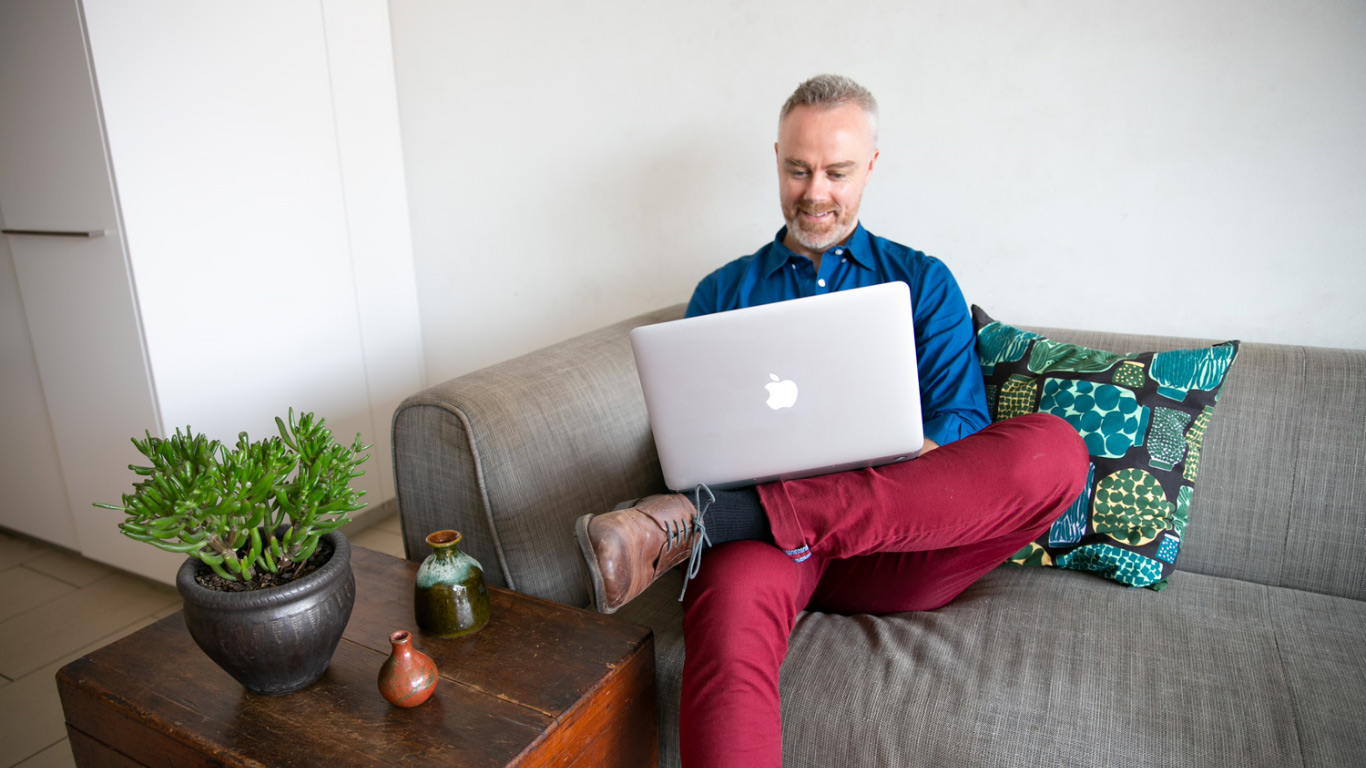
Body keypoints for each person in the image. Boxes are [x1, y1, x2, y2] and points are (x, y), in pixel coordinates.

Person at [574, 74, 1089, 768]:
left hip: (899, 546)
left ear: (871, 167)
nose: (815, 192)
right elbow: (691, 441)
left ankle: (727, 518)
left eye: (837, 172)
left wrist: (750, 508)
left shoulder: (922, 281)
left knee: (1055, 450)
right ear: (777, 160)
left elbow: (964, 422)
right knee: (726, 629)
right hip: (769, 557)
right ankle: (739, 521)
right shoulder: (722, 292)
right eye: (797, 169)